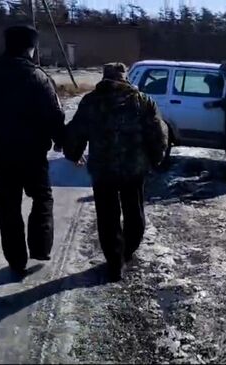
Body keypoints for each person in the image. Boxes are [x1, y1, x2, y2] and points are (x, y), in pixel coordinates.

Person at [0, 25, 65, 274]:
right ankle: (40, 246)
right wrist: (61, 139)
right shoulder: (38, 76)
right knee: (42, 198)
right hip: (33, 154)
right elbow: (54, 114)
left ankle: (16, 259)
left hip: (2, 154)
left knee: (8, 205)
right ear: (30, 48)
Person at [64, 63, 168, 282]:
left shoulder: (91, 101)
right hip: (134, 169)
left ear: (104, 78)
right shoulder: (142, 101)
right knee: (134, 210)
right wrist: (156, 157)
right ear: (125, 78)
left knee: (107, 216)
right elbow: (157, 132)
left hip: (103, 170)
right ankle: (127, 250)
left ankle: (114, 263)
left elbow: (77, 130)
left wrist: (74, 153)